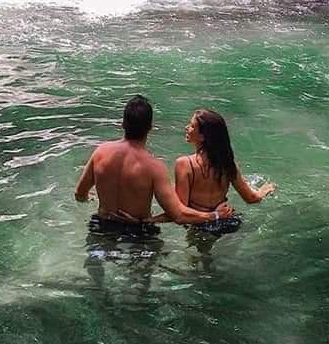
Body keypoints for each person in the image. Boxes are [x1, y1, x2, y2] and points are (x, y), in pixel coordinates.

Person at [75, 95, 234, 238]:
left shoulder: (100, 152)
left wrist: (95, 199)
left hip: (101, 226)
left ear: (122, 124)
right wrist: (215, 216)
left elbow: (80, 194)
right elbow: (178, 216)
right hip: (138, 231)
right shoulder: (154, 167)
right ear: (150, 128)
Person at [173, 108, 275, 235]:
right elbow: (251, 198)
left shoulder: (184, 164)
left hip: (200, 225)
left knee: (198, 254)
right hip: (228, 222)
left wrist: (213, 215)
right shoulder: (227, 163)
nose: (186, 127)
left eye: (192, 126)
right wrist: (263, 191)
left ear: (203, 136)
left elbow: (180, 214)